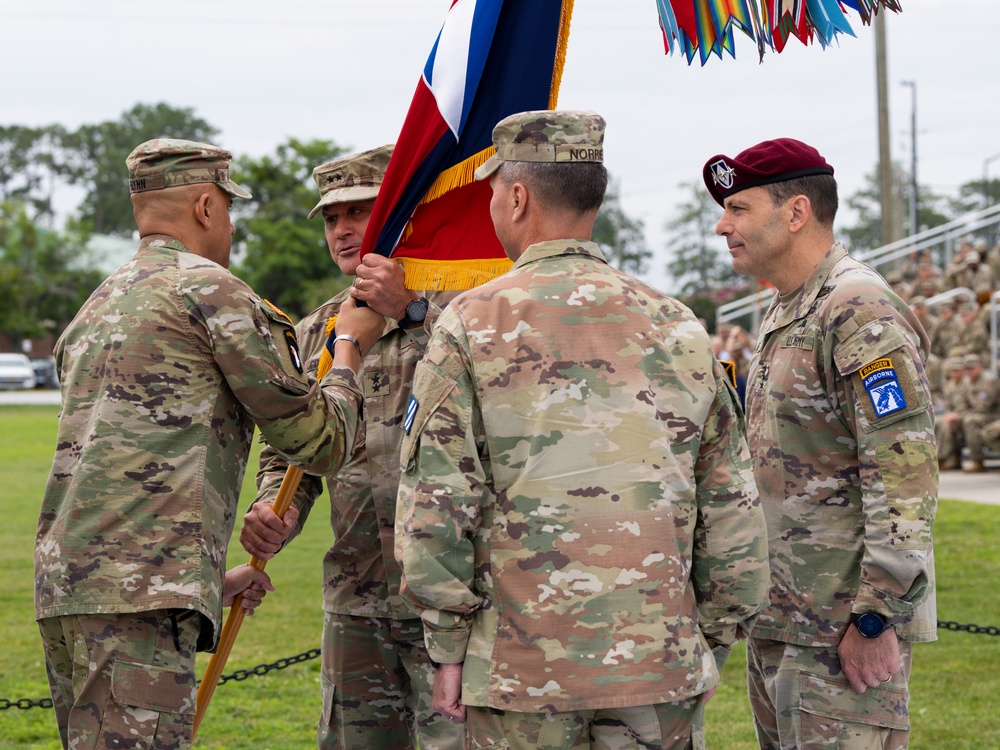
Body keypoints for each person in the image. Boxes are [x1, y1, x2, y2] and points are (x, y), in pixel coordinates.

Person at [395, 109, 770, 750]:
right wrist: (707, 639)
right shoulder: (679, 325)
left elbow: (437, 501)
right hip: (657, 667)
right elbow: (732, 504)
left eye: (490, 196)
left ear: (517, 198)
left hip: (519, 673)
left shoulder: (469, 324)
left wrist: (448, 646)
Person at [34, 138, 385, 750]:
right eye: (226, 206)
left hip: (72, 591)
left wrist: (207, 578)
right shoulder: (213, 293)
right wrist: (350, 345)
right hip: (140, 604)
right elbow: (319, 443)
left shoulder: (96, 306)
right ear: (204, 206)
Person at [705, 137, 938, 749]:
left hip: (841, 634)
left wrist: (875, 614)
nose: (722, 225)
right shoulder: (790, 309)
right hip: (785, 620)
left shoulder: (856, 309)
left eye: (739, 208)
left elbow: (904, 474)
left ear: (797, 211)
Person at [240, 145, 462, 750]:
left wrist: (412, 312)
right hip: (357, 599)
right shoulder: (316, 332)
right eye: (331, 218)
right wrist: (276, 512)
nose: (341, 230)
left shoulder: (462, 315)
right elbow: (292, 452)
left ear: (396, 217)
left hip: (452, 601)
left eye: (358, 213)